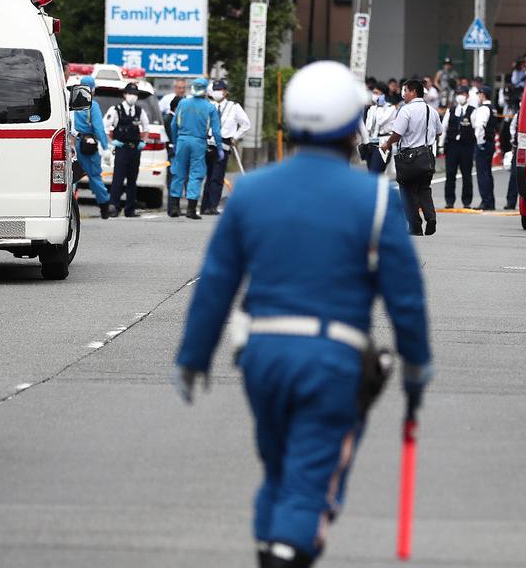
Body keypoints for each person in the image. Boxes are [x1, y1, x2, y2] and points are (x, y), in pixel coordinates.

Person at [172, 60, 432, 568]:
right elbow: (406, 298)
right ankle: (285, 553)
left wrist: (192, 358)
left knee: (278, 468)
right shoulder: (375, 198)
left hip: (262, 357)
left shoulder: (250, 192)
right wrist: (416, 366)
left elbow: (216, 286)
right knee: (311, 476)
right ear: (351, 125)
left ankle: (271, 544)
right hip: (332, 360)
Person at [382, 79, 443, 236]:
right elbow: (439, 132)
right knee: (424, 189)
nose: (403, 94)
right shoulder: (432, 110)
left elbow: (397, 133)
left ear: (413, 92)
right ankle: (431, 217)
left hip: (409, 157)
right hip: (427, 156)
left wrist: (387, 144)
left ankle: (415, 226)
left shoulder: (406, 110)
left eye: (405, 91)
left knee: (408, 191)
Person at [169, 78, 222, 220]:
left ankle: (174, 206)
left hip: (182, 140)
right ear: (205, 90)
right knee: (195, 173)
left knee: (178, 172)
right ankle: (191, 209)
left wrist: (175, 143)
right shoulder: (210, 107)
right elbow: (216, 131)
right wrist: (220, 148)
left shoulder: (183, 103)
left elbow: (173, 125)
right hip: (198, 142)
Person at [201, 79, 252, 215]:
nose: (218, 93)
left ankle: (212, 206)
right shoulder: (208, 106)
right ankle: (204, 206)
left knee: (217, 177)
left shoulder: (233, 107)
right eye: (216, 90)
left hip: (223, 144)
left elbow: (246, 124)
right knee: (208, 176)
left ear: (225, 92)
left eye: (220, 90)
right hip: (208, 143)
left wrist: (235, 137)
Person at [103, 82, 150, 218]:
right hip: (121, 148)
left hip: (135, 149)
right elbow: (106, 127)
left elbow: (146, 129)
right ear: (124, 94)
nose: (132, 97)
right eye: (130, 94)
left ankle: (130, 209)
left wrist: (143, 142)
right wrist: (112, 142)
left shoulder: (140, 111)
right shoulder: (115, 110)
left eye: (135, 94)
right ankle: (113, 207)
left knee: (132, 180)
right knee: (118, 179)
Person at [73, 76, 112, 219]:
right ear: (92, 90)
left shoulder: (71, 103)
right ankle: (105, 207)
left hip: (72, 144)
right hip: (87, 145)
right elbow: (99, 128)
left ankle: (69, 207)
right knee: (94, 176)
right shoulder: (92, 106)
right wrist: (105, 146)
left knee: (71, 178)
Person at [443, 85, 475, 208]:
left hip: (466, 146)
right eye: (458, 94)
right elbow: (444, 128)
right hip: (452, 145)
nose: (460, 96)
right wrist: (441, 145)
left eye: (462, 93)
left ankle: (467, 201)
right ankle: (449, 200)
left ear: (467, 95)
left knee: (466, 174)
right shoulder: (451, 110)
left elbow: (476, 128)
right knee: (450, 173)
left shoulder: (473, 110)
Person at [472, 85, 498, 211]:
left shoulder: (483, 109)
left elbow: (479, 126)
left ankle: (485, 201)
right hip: (490, 142)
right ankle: (490, 201)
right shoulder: (493, 108)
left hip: (483, 143)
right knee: (487, 172)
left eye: (479, 94)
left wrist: (479, 142)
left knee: (482, 173)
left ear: (483, 95)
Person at [364, 84, 398, 175]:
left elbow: (380, 121)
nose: (374, 95)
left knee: (375, 171)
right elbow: (368, 125)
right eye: (373, 92)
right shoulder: (371, 108)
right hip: (371, 142)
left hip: (383, 142)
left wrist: (380, 107)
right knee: (370, 171)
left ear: (383, 95)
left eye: (377, 93)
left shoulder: (391, 108)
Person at [504, 110, 519, 210]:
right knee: (514, 175)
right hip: (519, 146)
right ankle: (511, 201)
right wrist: (513, 140)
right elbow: (512, 128)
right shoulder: (518, 115)